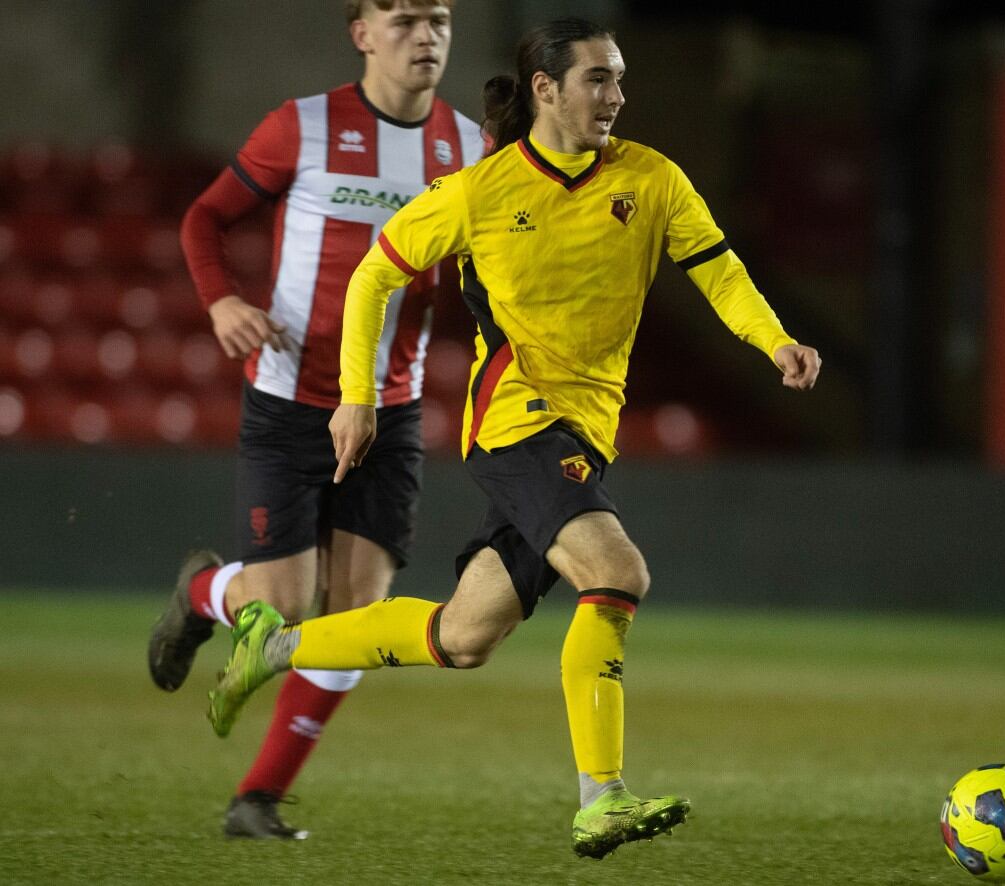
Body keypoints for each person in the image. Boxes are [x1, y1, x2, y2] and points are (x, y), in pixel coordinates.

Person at [207, 17, 821, 858]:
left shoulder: (653, 180)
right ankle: (600, 797)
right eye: (598, 79)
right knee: (617, 571)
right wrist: (358, 396)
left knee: (462, 638)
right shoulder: (482, 190)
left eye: (619, 78)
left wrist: (774, 339)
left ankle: (275, 647)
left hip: (586, 431)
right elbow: (376, 271)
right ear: (546, 88)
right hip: (516, 422)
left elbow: (717, 268)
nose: (616, 96)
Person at [147, 0, 484, 840]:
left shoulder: (472, 149)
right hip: (288, 403)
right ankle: (201, 594)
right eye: (404, 19)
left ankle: (255, 800)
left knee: (355, 623)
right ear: (361, 33)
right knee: (289, 614)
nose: (426, 36)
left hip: (389, 412)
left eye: (439, 18)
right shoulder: (303, 126)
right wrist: (222, 299)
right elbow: (204, 218)